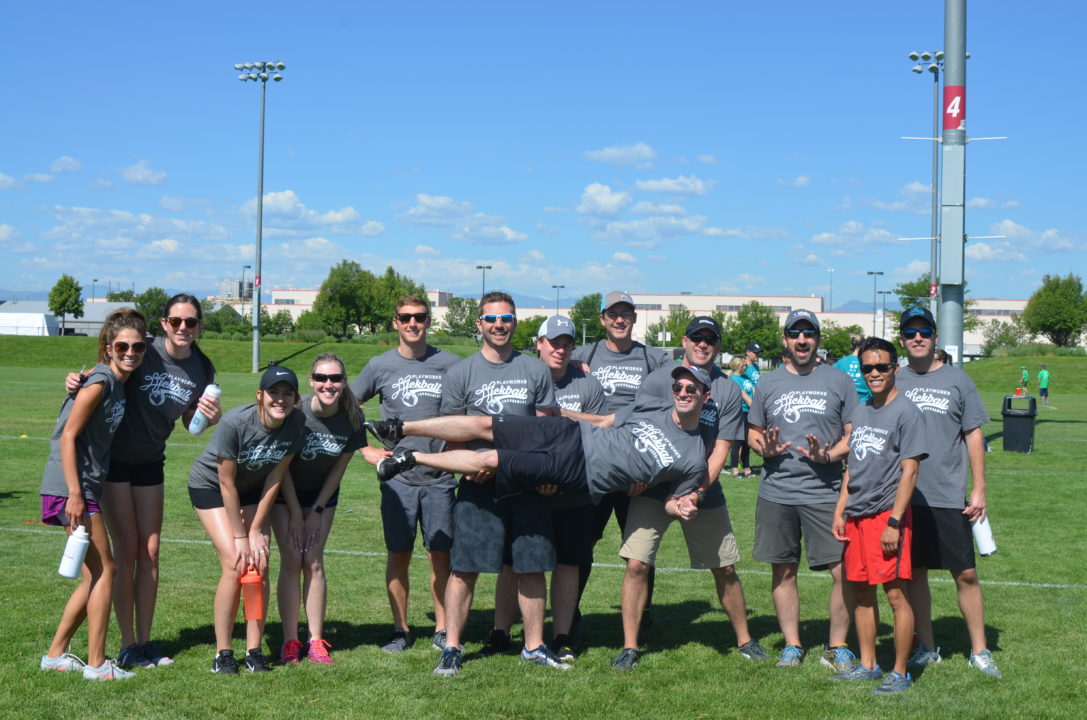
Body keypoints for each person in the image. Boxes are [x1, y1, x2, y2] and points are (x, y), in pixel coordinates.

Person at [402, 291, 560, 677]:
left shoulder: (535, 370)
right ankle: (452, 647)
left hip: (524, 485)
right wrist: (472, 466)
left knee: (531, 566)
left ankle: (534, 646)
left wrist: (540, 473)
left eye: (506, 319)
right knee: (464, 568)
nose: (498, 325)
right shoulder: (462, 373)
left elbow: (547, 431)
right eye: (491, 319)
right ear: (479, 324)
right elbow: (450, 432)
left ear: (515, 323)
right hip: (478, 486)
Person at [66, 293, 220, 670]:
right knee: (128, 550)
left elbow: (190, 422)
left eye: (191, 322)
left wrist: (208, 417)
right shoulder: (143, 348)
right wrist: (76, 380)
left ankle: (146, 642)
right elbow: (107, 370)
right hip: (115, 460)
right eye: (175, 321)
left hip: (151, 460)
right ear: (164, 323)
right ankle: (127, 644)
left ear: (199, 326)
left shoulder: (203, 368)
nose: (182, 328)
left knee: (151, 551)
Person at [610, 317, 767, 670]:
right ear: (685, 341)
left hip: (701, 488)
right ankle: (630, 646)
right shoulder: (658, 380)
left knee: (725, 567)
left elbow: (721, 450)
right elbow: (636, 428)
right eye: (697, 337)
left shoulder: (726, 390)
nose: (703, 344)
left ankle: (745, 639)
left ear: (718, 345)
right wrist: (636, 474)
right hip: (652, 489)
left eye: (710, 339)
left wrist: (694, 493)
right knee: (636, 564)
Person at [366, 364, 711, 509]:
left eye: (691, 389)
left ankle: (410, 458)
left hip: (580, 471)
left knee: (492, 459)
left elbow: (673, 500)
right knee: (487, 424)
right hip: (570, 432)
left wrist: (682, 507)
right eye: (678, 387)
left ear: (705, 396)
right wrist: (562, 414)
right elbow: (606, 421)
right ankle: (399, 428)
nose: (682, 393)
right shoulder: (652, 406)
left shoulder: (694, 457)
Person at [747, 309, 859, 670]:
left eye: (808, 333)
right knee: (783, 570)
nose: (801, 340)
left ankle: (837, 645)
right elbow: (753, 432)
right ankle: (792, 645)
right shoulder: (768, 382)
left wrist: (829, 455)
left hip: (825, 492)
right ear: (785, 340)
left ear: (817, 339)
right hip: (777, 491)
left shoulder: (839, 380)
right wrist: (763, 449)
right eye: (795, 333)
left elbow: (853, 434)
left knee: (843, 571)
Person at [895, 306, 1003, 678]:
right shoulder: (895, 380)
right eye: (911, 333)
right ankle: (927, 648)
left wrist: (980, 487)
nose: (918, 338)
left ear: (935, 337)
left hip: (949, 494)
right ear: (902, 340)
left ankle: (980, 650)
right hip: (908, 497)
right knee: (915, 574)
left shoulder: (958, 379)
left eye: (924, 331)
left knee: (966, 574)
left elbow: (973, 434)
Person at [40, 308, 148, 681]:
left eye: (138, 346)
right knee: (107, 570)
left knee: (94, 576)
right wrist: (74, 492)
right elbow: (67, 436)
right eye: (122, 346)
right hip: (72, 488)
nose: (130, 352)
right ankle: (98, 664)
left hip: (82, 486)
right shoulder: (100, 381)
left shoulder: (116, 381)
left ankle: (55, 655)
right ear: (108, 347)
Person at [351, 296, 459, 654]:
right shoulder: (380, 365)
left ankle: (443, 628)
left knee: (440, 556)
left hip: (440, 476)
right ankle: (400, 629)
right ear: (395, 322)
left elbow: (469, 413)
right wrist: (364, 448)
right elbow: (346, 405)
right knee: (399, 554)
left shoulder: (450, 364)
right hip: (399, 480)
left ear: (428, 321)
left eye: (420, 317)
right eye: (406, 317)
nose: (413, 323)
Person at [824, 337, 927, 695]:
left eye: (882, 366)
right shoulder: (862, 410)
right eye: (868, 367)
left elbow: (910, 471)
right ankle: (868, 665)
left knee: (896, 595)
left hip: (887, 516)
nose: (875, 373)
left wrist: (894, 523)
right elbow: (853, 467)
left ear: (895, 368)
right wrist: (841, 510)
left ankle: (900, 672)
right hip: (856, 517)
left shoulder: (907, 412)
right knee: (862, 593)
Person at [187, 365, 306, 674]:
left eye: (288, 393)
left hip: (253, 489)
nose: (280, 399)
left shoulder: (297, 422)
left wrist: (255, 530)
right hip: (211, 487)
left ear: (295, 398)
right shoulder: (235, 423)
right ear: (260, 395)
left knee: (259, 563)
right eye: (273, 392)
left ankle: (254, 651)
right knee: (235, 562)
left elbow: (276, 477)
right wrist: (241, 536)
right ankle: (223, 653)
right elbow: (226, 483)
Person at [570, 291, 671, 636]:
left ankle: (643, 614)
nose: (619, 320)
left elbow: (669, 404)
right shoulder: (583, 355)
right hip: (593, 464)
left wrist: (647, 468)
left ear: (634, 318)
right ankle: (570, 613)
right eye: (613, 314)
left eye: (625, 313)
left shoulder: (653, 358)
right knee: (582, 543)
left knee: (639, 549)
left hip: (636, 471)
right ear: (602, 319)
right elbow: (551, 370)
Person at [273, 354, 369, 666]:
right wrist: (296, 514)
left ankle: (315, 640)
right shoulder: (296, 413)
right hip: (285, 492)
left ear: (344, 382)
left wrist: (315, 511)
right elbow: (282, 468)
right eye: (322, 378)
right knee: (292, 559)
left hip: (322, 496)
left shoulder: (353, 417)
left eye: (335, 378)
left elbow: (338, 470)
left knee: (313, 561)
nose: (329, 384)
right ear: (311, 381)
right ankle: (290, 640)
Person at [533, 315, 606, 662]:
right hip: (531, 486)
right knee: (525, 564)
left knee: (569, 563)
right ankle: (522, 635)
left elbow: (603, 427)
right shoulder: (525, 375)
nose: (560, 349)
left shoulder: (587, 384)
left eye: (567, 344)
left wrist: (558, 413)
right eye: (554, 342)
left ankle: (562, 636)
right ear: (539, 344)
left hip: (577, 486)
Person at [727, 355, 755, 478]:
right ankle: (735, 471)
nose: (746, 367)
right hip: (740, 412)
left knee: (747, 442)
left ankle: (747, 469)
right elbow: (745, 396)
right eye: (744, 365)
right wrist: (757, 409)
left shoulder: (745, 377)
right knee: (738, 441)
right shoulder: (733, 379)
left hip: (750, 411)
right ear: (738, 366)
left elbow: (753, 391)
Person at [834, 336, 871, 404]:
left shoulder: (841, 362)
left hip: (845, 402)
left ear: (851, 346)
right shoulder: (867, 362)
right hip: (864, 403)